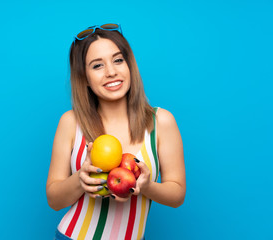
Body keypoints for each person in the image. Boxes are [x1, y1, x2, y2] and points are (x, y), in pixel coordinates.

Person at [46, 23, 186, 240]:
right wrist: (80, 180)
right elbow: (54, 201)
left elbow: (177, 195)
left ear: (130, 65)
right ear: (84, 79)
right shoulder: (71, 122)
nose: (111, 72)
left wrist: (146, 186)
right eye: (97, 66)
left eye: (118, 60)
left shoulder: (161, 122)